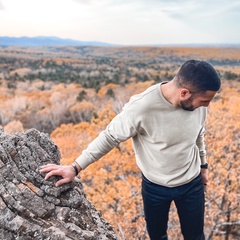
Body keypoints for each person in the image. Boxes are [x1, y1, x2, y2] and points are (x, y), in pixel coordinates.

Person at [40, 59, 221, 240]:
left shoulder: (197, 107)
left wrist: (203, 166)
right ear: (184, 93)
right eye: (205, 101)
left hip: (192, 184)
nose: (207, 106)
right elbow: (109, 137)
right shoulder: (141, 107)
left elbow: (199, 133)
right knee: (158, 236)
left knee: (196, 236)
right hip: (155, 188)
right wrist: (74, 167)